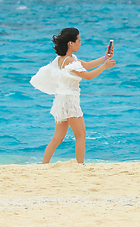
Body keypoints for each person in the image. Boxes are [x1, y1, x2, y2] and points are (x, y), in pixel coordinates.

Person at [30, 27, 115, 164]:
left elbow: (86, 65)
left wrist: (105, 57)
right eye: (79, 41)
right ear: (71, 43)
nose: (80, 43)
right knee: (81, 135)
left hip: (61, 100)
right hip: (70, 101)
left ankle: (44, 164)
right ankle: (80, 165)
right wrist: (104, 66)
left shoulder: (63, 59)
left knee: (57, 138)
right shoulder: (70, 62)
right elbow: (87, 75)